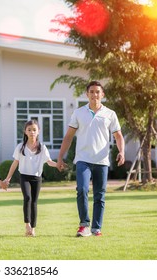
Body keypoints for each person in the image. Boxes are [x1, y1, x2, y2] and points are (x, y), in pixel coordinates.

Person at [56, 80, 125, 237]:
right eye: (91, 91)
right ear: (87, 94)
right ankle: (84, 225)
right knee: (82, 190)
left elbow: (118, 136)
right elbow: (68, 137)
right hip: (83, 159)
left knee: (100, 195)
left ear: (102, 94)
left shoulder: (110, 114)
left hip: (101, 161)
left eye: (97, 92)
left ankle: (96, 228)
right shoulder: (78, 113)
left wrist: (121, 151)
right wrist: (60, 157)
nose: (94, 94)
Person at [4, 120, 59, 237]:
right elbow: (15, 163)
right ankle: (27, 225)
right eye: (29, 130)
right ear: (25, 132)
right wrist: (7, 178)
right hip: (24, 176)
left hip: (37, 178)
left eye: (34, 130)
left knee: (34, 202)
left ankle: (33, 229)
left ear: (38, 131)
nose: (32, 132)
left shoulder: (42, 147)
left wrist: (59, 165)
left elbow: (49, 162)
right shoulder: (20, 147)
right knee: (27, 198)